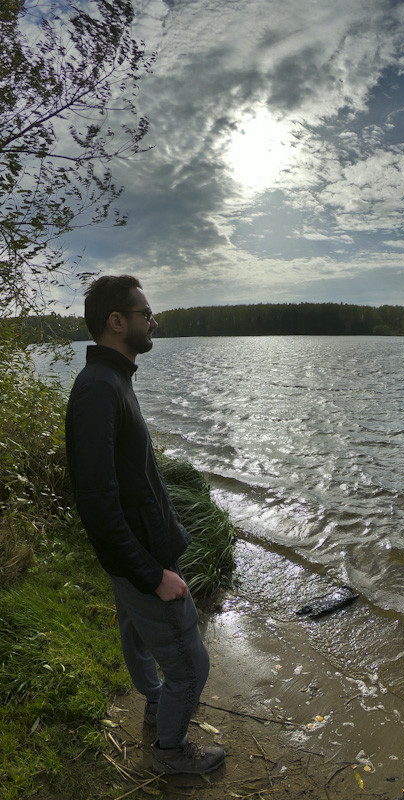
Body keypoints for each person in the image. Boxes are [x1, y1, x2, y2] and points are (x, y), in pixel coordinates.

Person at [65, 275, 225, 775]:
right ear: (117, 322)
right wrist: (153, 574)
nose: (154, 321)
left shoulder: (113, 380)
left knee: (136, 636)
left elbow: (130, 482)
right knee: (190, 665)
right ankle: (170, 754)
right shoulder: (98, 390)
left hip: (141, 552)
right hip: (142, 559)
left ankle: (156, 704)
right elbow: (97, 504)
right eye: (145, 313)